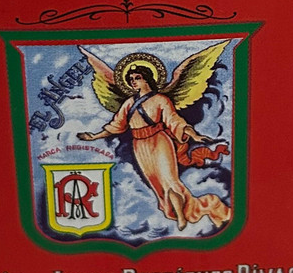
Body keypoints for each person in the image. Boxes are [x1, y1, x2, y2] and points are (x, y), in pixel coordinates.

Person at [79, 64, 231, 231]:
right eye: (131, 79)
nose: (133, 82)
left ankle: (181, 217)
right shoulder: (129, 103)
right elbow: (116, 125)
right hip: (140, 147)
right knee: (159, 186)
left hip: (159, 142)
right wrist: (94, 137)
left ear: (147, 79)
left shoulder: (160, 100)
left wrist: (194, 135)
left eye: (137, 78)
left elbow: (174, 121)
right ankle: (185, 211)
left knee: (169, 180)